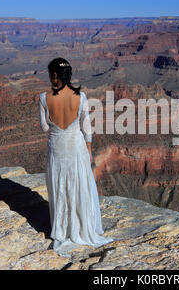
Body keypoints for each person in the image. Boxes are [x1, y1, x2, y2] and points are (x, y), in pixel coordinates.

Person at [38, 57, 113, 257]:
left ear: (55, 75)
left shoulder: (44, 98)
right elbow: (86, 127)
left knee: (60, 187)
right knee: (79, 185)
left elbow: (45, 127)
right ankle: (82, 227)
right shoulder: (81, 97)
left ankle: (63, 229)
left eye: (49, 75)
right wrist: (89, 149)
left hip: (57, 148)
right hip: (77, 147)